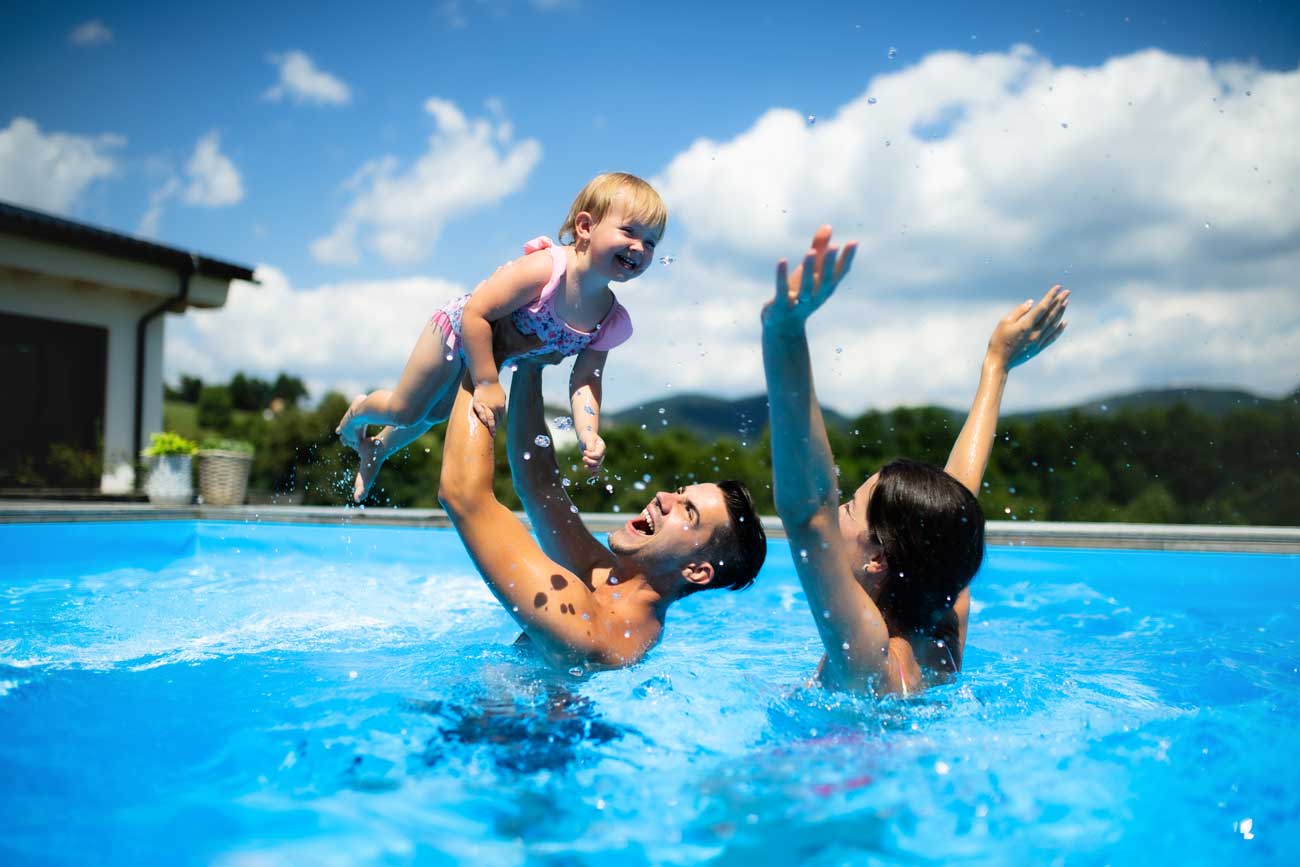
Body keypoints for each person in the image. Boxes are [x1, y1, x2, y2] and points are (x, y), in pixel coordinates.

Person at [762, 225, 1068, 697]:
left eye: (846, 510)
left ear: (879, 557)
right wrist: (996, 366)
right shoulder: (941, 625)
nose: (834, 512)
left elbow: (807, 514)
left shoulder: (868, 656)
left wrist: (783, 334)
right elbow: (953, 507)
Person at [335, 172, 666, 502]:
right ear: (585, 227)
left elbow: (585, 378)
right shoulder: (546, 270)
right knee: (405, 410)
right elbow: (477, 313)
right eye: (629, 231)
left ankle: (378, 449)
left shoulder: (608, 316)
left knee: (435, 413)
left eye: (651, 242)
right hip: (456, 330)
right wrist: (487, 383)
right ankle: (358, 413)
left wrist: (588, 433)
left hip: (490, 355)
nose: (640, 247)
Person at [434, 353, 769, 672]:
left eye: (688, 511)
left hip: (497, 730)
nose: (663, 497)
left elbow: (463, 495)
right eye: (679, 493)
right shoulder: (608, 579)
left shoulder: (587, 626)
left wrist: (481, 367)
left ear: (696, 571)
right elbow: (540, 486)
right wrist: (529, 364)